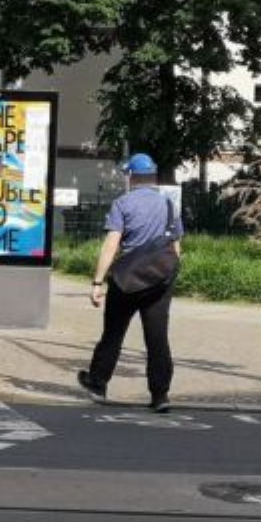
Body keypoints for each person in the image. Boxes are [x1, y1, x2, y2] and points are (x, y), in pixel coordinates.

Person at [77, 153, 182, 413]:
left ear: (132, 177)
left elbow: (111, 245)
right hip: (159, 281)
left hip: (126, 281)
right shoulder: (169, 205)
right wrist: (168, 278)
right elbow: (175, 248)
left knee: (113, 333)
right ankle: (160, 395)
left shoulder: (122, 204)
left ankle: (98, 383)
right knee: (157, 338)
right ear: (153, 176)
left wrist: (97, 282)